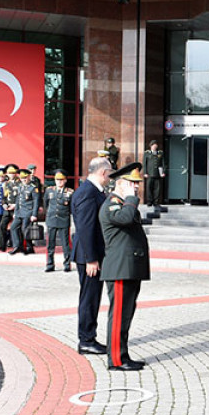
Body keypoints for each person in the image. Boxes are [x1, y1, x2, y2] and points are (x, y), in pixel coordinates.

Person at [99, 163, 151, 371]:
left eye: (137, 184)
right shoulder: (113, 203)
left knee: (126, 315)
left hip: (129, 267)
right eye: (132, 183)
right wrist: (130, 198)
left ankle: (123, 355)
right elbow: (125, 218)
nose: (136, 187)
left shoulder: (123, 203)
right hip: (120, 268)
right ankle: (116, 360)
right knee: (119, 314)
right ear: (119, 183)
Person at [72, 157, 111, 355]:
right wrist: (91, 259)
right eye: (109, 174)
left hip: (91, 254)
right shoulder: (88, 192)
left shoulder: (92, 190)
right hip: (89, 257)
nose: (109, 177)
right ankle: (86, 340)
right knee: (89, 298)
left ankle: (88, 337)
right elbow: (86, 228)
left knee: (92, 297)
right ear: (103, 172)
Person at [42, 170, 74, 272]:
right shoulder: (49, 190)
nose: (59, 182)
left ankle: (67, 264)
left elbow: (72, 208)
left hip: (63, 220)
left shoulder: (70, 192)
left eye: (61, 180)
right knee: (50, 244)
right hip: (51, 219)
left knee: (65, 244)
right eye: (57, 180)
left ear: (65, 181)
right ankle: (50, 264)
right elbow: (46, 204)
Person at [9, 166, 39, 255]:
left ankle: (29, 247)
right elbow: (18, 200)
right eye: (22, 178)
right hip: (19, 212)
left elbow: (36, 202)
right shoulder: (20, 187)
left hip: (28, 212)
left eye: (25, 178)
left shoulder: (33, 188)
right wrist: (15, 212)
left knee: (25, 230)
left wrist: (34, 214)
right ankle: (17, 246)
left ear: (29, 177)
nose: (23, 180)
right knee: (13, 227)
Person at [0, 165, 18, 251]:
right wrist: (4, 204)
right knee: (2, 226)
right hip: (7, 209)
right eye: (9, 173)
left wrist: (15, 205)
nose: (11, 175)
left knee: (15, 227)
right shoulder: (6, 184)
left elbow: (21, 196)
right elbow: (3, 197)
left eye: (13, 173)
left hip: (16, 208)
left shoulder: (19, 183)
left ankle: (16, 245)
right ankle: (1, 245)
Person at [142, 140, 165, 206]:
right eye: (153, 145)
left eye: (155, 145)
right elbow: (145, 164)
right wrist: (145, 173)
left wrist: (163, 172)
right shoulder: (147, 153)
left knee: (157, 189)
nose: (155, 146)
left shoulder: (160, 153)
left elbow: (163, 163)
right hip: (149, 174)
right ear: (151, 146)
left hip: (157, 174)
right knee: (149, 189)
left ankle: (156, 202)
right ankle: (149, 201)